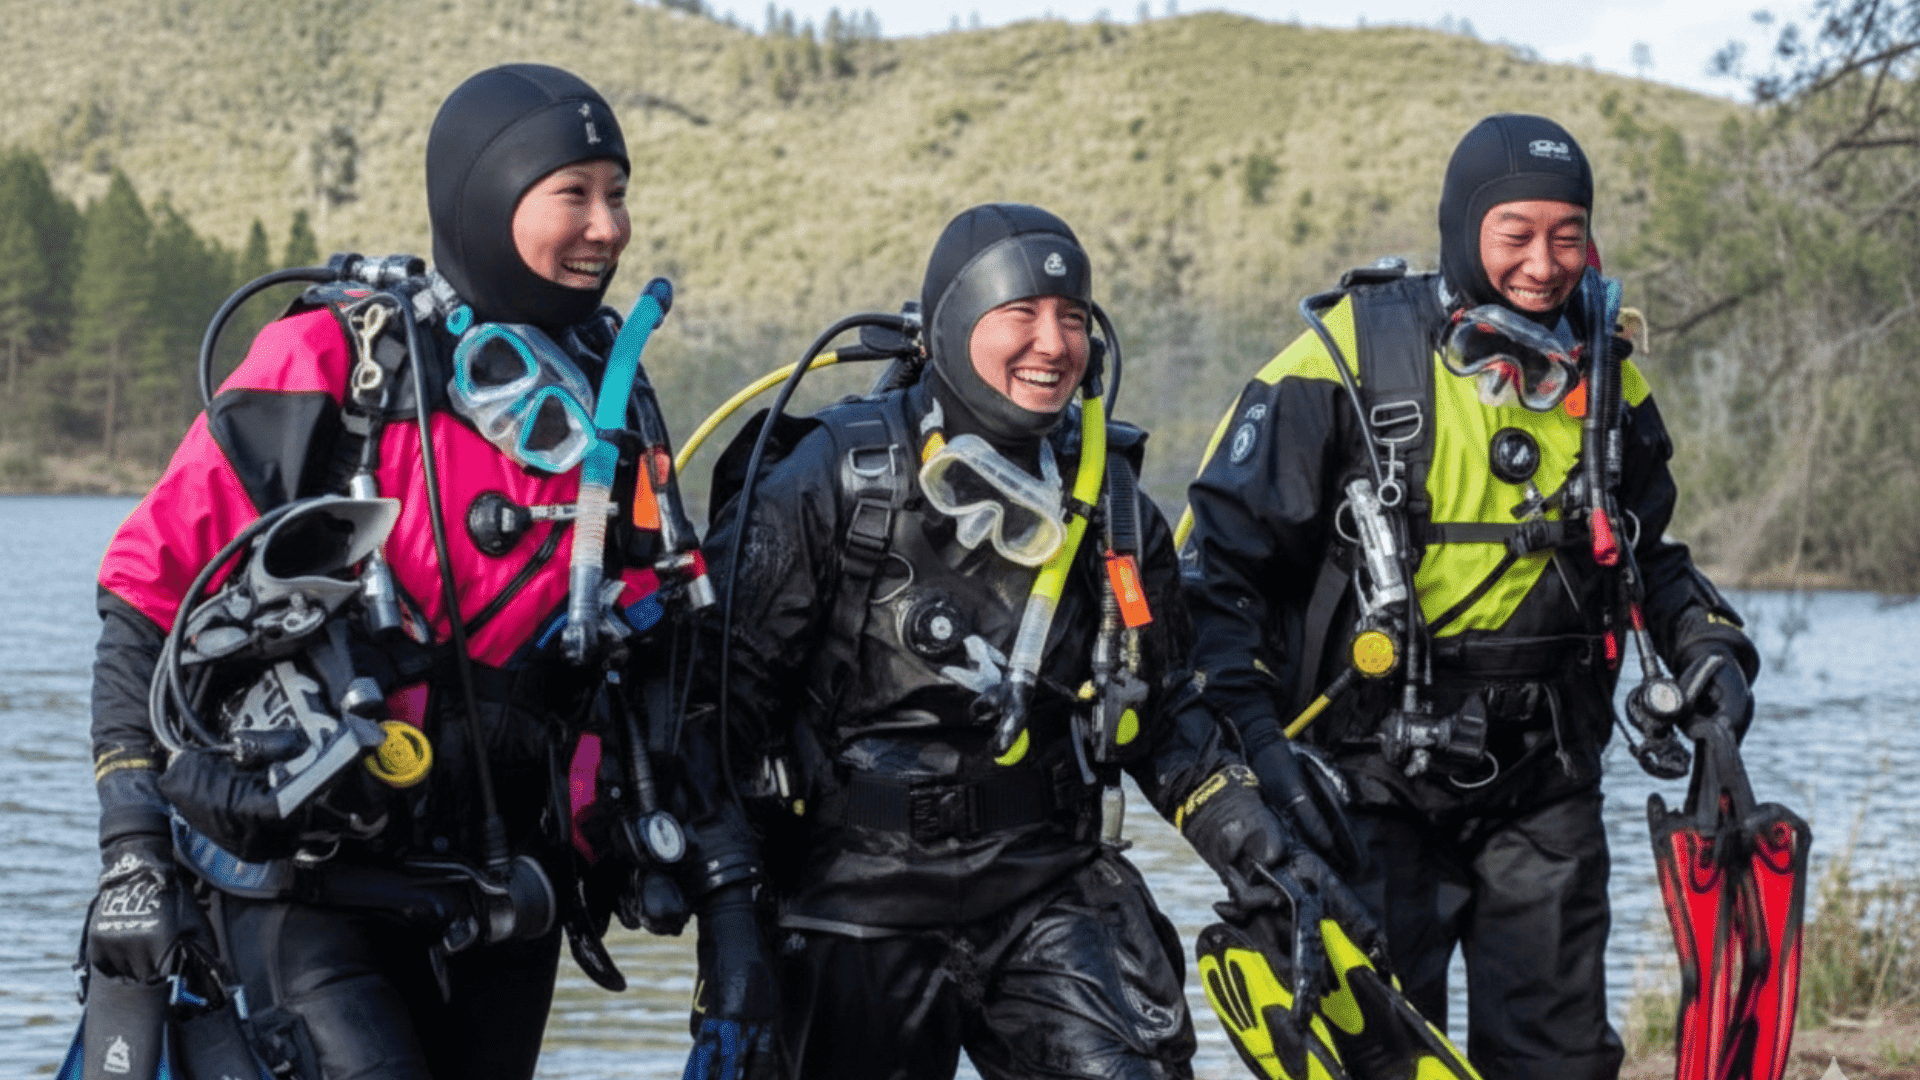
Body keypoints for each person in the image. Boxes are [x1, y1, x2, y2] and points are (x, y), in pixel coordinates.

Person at [78, 63, 719, 1080]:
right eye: (575, 193)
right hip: (310, 885)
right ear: (487, 194)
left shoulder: (615, 406)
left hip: (500, 890)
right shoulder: (338, 361)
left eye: (619, 193)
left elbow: (658, 650)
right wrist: (131, 851)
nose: (608, 227)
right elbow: (142, 591)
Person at [686, 203, 1350, 1080]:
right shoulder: (832, 480)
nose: (1053, 343)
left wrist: (1265, 857)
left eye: (1072, 318)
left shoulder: (1109, 503)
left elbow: (1162, 713)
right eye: (1021, 313)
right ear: (956, 324)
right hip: (848, 899)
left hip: (1044, 885)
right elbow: (715, 716)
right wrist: (730, 927)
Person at [1179, 114, 1759, 1080]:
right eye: (1515, 234)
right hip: (1363, 784)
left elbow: (1650, 553)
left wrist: (1707, 644)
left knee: (1558, 1060)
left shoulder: (1606, 376)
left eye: (1568, 236)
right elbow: (1211, 583)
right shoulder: (1339, 364)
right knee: (1378, 1060)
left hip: (1546, 779)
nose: (1545, 264)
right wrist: (1261, 756)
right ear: (1461, 228)